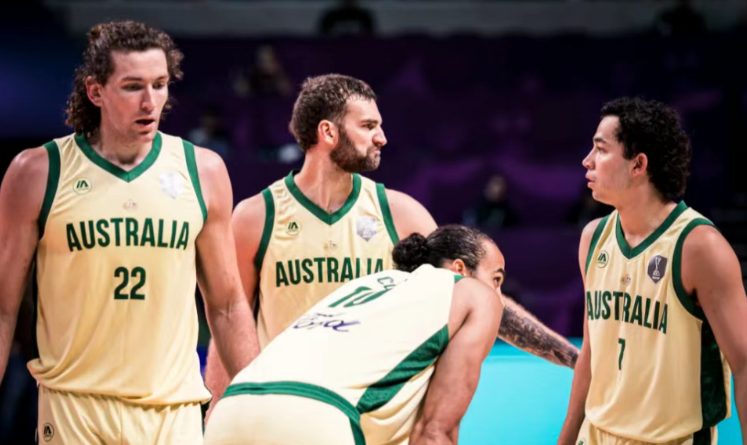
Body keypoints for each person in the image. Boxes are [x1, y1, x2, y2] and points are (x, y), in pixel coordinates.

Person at [0, 20, 259, 445]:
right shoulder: (38, 172)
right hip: (75, 412)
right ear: (95, 91)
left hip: (174, 415)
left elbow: (226, 305)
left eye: (160, 85)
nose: (150, 102)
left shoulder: (202, 171)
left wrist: (260, 405)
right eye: (133, 86)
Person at [203, 73, 579, 416]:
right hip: (288, 415)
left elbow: (479, 298)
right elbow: (228, 320)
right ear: (328, 132)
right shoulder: (256, 217)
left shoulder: (400, 214)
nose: (382, 137)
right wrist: (218, 417)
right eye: (368, 126)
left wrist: (572, 359)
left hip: (372, 422)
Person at [541, 97, 747, 445]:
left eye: (600, 149)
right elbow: (591, 354)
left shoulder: (699, 247)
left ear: (638, 164)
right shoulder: (593, 239)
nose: (587, 161)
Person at [204, 225, 506, 445]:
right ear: (458, 269)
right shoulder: (475, 295)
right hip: (312, 422)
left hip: (229, 422)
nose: (500, 297)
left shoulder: (368, 284)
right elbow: (436, 430)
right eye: (496, 279)